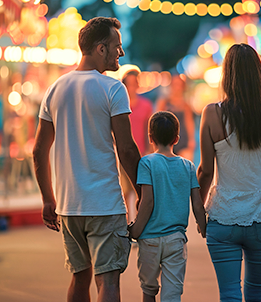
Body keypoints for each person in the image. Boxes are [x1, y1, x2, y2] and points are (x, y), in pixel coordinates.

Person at [33, 17, 141, 302]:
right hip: (105, 204)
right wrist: (144, 192)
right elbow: (127, 149)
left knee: (80, 277)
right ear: (101, 48)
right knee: (108, 281)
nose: (122, 53)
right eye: (117, 46)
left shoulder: (55, 89)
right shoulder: (113, 89)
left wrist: (48, 198)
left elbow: (38, 150)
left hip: (69, 207)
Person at [198, 43, 261, 302]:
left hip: (223, 219)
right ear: (258, 74)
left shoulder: (212, 113)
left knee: (229, 294)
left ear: (226, 74)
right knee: (257, 294)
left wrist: (199, 212)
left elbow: (205, 171)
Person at [128, 111, 207, 302]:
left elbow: (147, 201)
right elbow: (197, 202)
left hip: (149, 240)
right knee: (172, 293)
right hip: (175, 239)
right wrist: (203, 228)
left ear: (150, 137)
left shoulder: (146, 163)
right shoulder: (188, 166)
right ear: (177, 138)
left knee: (148, 289)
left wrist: (135, 230)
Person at [121, 69, 153, 222]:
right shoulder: (119, 105)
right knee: (125, 190)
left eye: (135, 84)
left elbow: (150, 130)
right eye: (130, 84)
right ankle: (129, 221)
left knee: (142, 189)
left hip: (141, 153)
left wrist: (150, 151)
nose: (132, 87)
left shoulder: (146, 105)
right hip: (121, 153)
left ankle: (141, 220)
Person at [157, 74, 195, 161]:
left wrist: (191, 140)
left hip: (182, 141)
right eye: (175, 84)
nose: (177, 87)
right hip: (165, 142)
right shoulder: (164, 102)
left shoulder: (186, 105)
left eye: (179, 85)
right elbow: (157, 121)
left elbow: (189, 122)